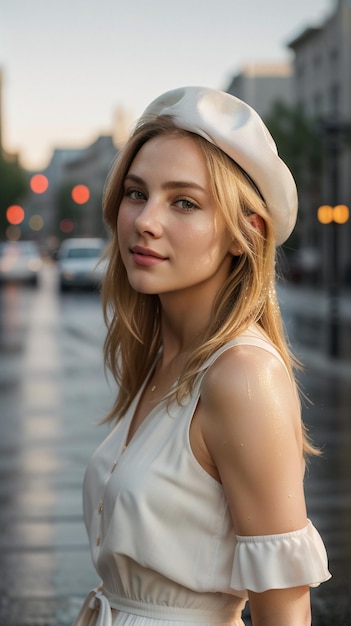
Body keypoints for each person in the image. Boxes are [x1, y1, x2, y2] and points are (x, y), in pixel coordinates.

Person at [76, 86, 331, 626]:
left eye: (184, 202)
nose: (146, 220)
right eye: (136, 193)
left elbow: (285, 611)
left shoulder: (243, 374)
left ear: (246, 233)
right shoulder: (157, 356)